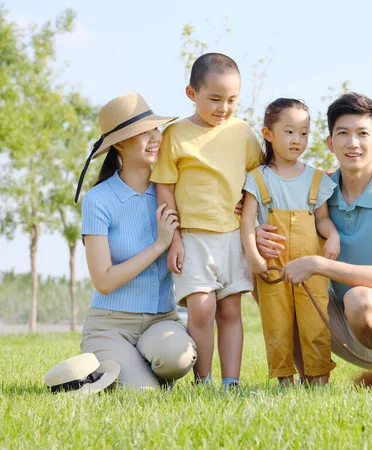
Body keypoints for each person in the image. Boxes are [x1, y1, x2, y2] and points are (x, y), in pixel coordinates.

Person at [256, 93, 372, 373]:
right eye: (343, 133)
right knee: (270, 272)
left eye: (362, 134)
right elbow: (268, 203)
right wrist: (257, 233)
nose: (353, 143)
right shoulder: (317, 190)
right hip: (349, 324)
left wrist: (319, 264)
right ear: (330, 143)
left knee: (359, 300)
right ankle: (306, 382)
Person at [150, 53, 262, 388]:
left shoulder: (243, 132)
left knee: (230, 312)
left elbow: (258, 178)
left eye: (232, 100)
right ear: (191, 93)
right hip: (193, 238)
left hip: (232, 236)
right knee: (201, 310)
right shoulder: (176, 135)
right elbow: (165, 189)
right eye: (214, 99)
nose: (223, 108)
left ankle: (231, 383)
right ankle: (203, 381)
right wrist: (175, 240)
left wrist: (251, 210)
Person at [76, 93, 197, 390]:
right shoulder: (98, 200)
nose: (155, 137)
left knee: (177, 359)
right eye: (143, 133)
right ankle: (110, 369)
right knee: (143, 396)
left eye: (155, 129)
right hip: (110, 327)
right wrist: (159, 244)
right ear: (119, 143)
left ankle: (129, 368)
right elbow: (103, 281)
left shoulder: (171, 191)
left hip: (161, 320)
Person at [241, 98, 339, 385]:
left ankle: (320, 380)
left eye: (304, 132)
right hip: (273, 266)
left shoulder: (316, 178)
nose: (298, 140)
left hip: (311, 268)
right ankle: (284, 380)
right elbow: (247, 223)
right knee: (277, 324)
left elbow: (322, 220)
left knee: (315, 322)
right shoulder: (258, 179)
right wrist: (255, 259)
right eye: (289, 131)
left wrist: (332, 235)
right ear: (268, 134)